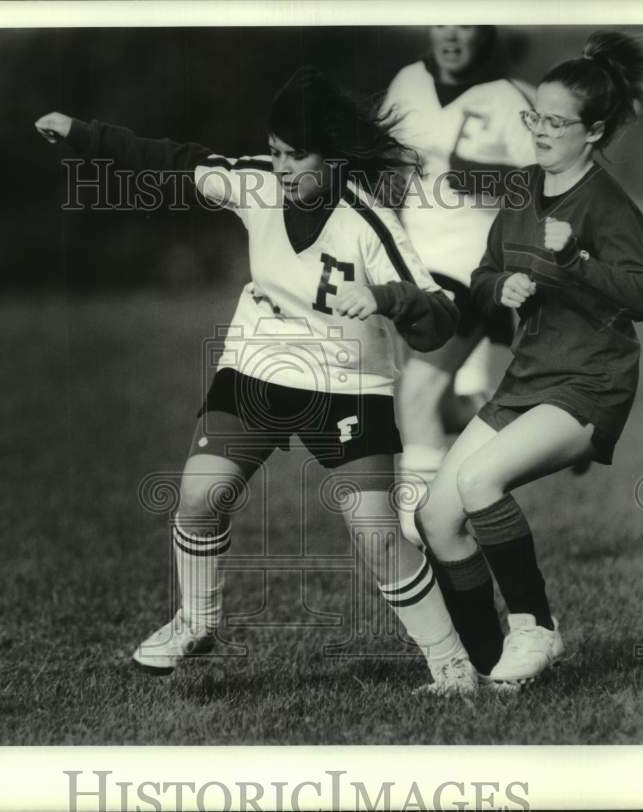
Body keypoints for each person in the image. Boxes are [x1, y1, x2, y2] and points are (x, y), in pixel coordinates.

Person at [35, 67, 481, 695]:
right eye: (274, 151)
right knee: (199, 496)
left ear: (331, 157)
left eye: (295, 155)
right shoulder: (256, 184)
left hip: (346, 383)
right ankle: (198, 624)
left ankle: (451, 667)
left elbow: (441, 320)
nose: (282, 167)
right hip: (258, 364)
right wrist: (84, 134)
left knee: (378, 537)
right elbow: (170, 161)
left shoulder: (369, 222)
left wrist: (386, 297)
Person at [415, 31, 643, 687]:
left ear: (594, 130)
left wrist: (577, 262)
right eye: (537, 117)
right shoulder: (523, 188)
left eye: (556, 122)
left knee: (477, 485)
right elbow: (483, 272)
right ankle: (473, 672)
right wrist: (502, 288)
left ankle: (535, 630)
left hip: (591, 384)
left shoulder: (608, 205)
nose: (541, 130)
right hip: (528, 379)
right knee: (436, 516)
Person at [383, 25, 537, 677]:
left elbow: (545, 186)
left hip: (473, 276)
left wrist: (491, 178)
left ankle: (418, 534)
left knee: (414, 397)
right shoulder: (407, 84)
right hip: (412, 274)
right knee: (441, 409)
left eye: (466, 18)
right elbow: (383, 169)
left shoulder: (510, 99)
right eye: (440, 17)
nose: (450, 30)